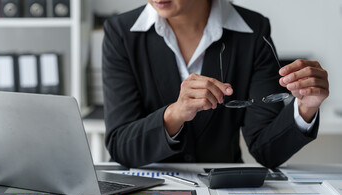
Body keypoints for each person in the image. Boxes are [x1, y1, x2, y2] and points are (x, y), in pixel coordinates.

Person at [102, 0, 329, 168]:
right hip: (144, 187)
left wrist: (305, 108)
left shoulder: (253, 30)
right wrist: (175, 113)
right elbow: (120, 145)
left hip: (222, 193)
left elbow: (266, 151)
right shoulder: (121, 33)